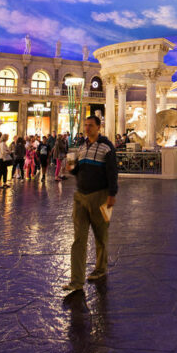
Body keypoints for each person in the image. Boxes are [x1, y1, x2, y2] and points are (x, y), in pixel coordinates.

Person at [62, 116, 118, 294]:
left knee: (101, 236)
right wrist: (71, 168)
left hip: (101, 196)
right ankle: (76, 281)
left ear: (98, 127)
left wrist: (112, 195)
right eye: (85, 125)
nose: (87, 128)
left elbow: (112, 172)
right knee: (79, 239)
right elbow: (78, 170)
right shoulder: (82, 146)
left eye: (90, 125)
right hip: (80, 197)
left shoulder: (107, 147)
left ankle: (100, 269)